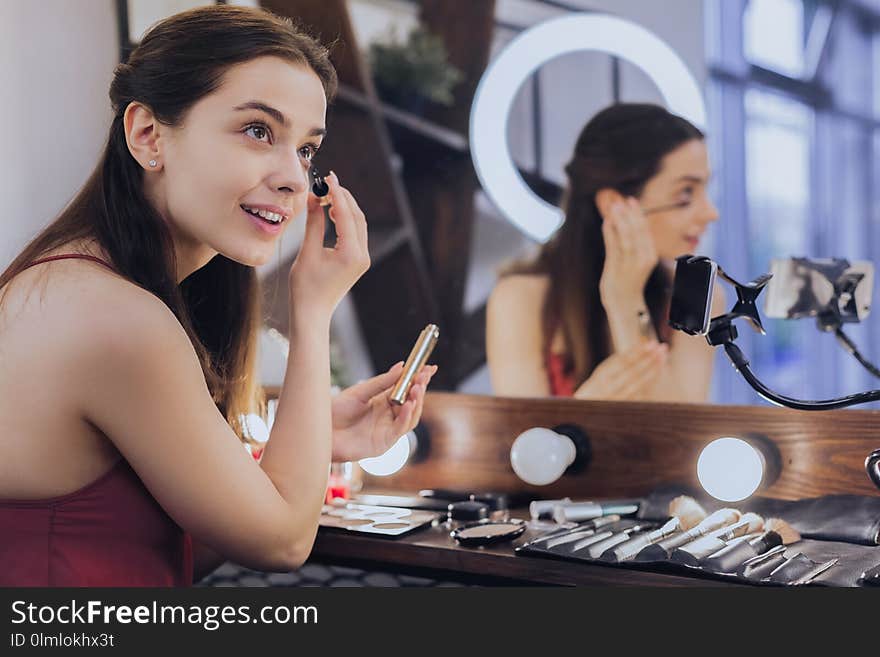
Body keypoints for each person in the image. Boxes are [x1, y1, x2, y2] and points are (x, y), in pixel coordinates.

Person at [0, 5, 435, 586]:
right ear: (147, 135)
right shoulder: (112, 318)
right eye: (259, 131)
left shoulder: (92, 288)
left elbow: (169, 547)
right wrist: (312, 312)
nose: (293, 177)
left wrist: (319, 439)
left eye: (306, 150)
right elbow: (279, 542)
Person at [487, 103, 722, 401]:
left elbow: (680, 433)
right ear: (615, 204)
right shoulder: (520, 298)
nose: (711, 213)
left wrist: (625, 300)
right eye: (686, 193)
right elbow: (520, 442)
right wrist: (585, 413)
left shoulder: (700, 297)